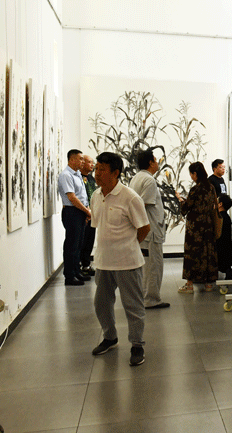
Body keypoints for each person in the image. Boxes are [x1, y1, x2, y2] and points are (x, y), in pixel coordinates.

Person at [90, 152, 151, 367]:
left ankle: (137, 345)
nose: (97, 173)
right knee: (101, 304)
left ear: (115, 173)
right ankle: (110, 337)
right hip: (103, 262)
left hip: (128, 262)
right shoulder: (96, 195)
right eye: (96, 168)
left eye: (102, 169)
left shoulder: (130, 197)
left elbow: (144, 228)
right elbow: (99, 227)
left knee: (133, 306)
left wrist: (128, 246)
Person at [130, 149, 170, 309]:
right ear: (150, 163)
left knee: (146, 267)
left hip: (146, 231)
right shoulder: (148, 180)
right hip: (151, 232)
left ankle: (145, 297)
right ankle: (151, 299)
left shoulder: (137, 178)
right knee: (153, 266)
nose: (158, 162)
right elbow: (143, 204)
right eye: (155, 159)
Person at [176, 162, 219, 293]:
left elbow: (185, 208)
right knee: (207, 252)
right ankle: (208, 284)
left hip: (195, 227)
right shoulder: (211, 187)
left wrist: (180, 200)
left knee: (192, 254)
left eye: (191, 174)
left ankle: (189, 285)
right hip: (208, 224)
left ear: (195, 174)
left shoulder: (195, 189)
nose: (191, 176)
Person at [58, 149, 91, 286]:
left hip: (80, 212)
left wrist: (86, 211)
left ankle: (77, 271)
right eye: (80, 159)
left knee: (78, 244)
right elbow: (72, 197)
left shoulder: (77, 174)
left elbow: (82, 196)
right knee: (72, 245)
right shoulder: (66, 175)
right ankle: (69, 276)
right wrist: (87, 211)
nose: (83, 161)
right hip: (72, 212)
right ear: (71, 160)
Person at [79, 154, 97, 276]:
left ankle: (86, 264)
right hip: (83, 214)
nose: (92, 164)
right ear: (83, 163)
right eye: (89, 162)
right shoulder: (77, 178)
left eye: (92, 162)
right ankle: (79, 266)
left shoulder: (91, 178)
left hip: (92, 214)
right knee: (82, 241)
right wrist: (86, 212)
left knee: (90, 240)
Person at [216, 194, 232, 281]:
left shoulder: (220, 218)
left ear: (220, 204)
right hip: (228, 254)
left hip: (222, 255)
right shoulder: (225, 217)